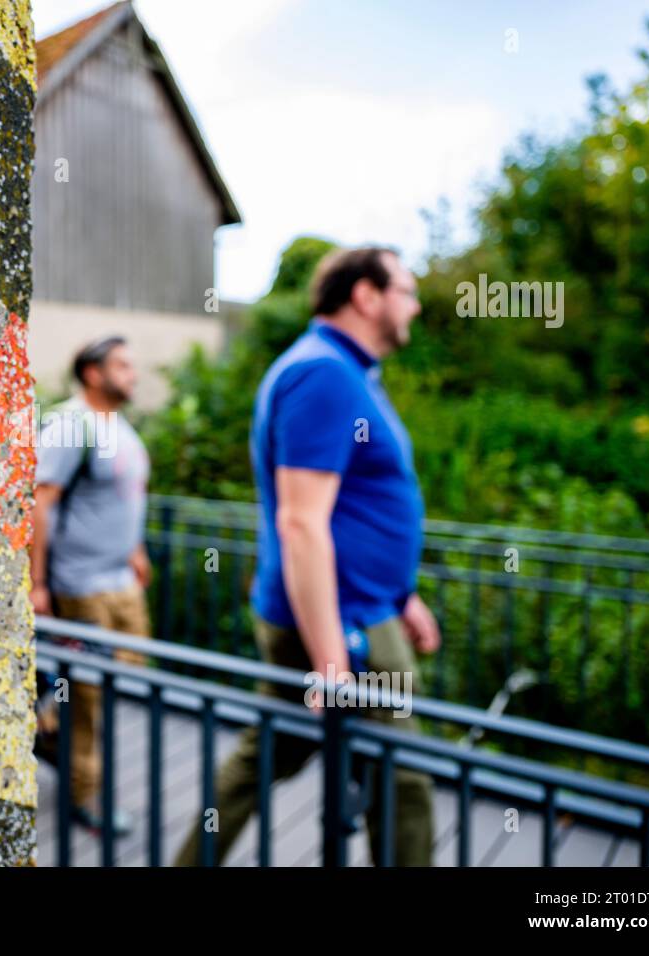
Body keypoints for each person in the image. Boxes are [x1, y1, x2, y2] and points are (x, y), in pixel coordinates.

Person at [173, 246, 439, 867]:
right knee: (404, 782)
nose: (416, 304)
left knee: (269, 752)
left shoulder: (342, 370)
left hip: (361, 610)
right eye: (406, 289)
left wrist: (402, 595)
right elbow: (301, 520)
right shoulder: (324, 375)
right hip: (346, 628)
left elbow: (353, 509)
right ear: (366, 296)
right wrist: (330, 658)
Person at [30, 336, 151, 835]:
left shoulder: (121, 428)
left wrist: (137, 551)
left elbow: (126, 497)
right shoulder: (69, 423)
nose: (133, 373)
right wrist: (38, 582)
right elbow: (41, 503)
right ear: (92, 372)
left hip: (122, 581)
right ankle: (85, 797)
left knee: (123, 679)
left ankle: (43, 729)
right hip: (80, 584)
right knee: (87, 696)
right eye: (122, 364)